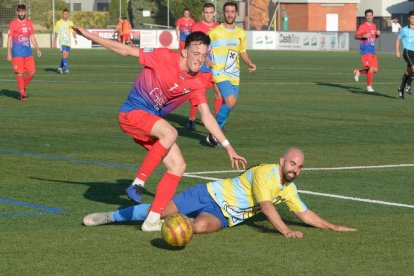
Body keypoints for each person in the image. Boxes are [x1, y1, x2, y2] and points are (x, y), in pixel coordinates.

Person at [73, 26, 246, 232]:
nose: (200, 59)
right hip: (131, 113)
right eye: (196, 53)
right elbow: (126, 50)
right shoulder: (162, 56)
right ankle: (138, 183)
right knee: (171, 132)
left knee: (178, 165)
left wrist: (228, 147)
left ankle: (152, 220)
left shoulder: (197, 83)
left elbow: (207, 117)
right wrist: (90, 35)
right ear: (185, 51)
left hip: (151, 124)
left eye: (204, 55)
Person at [83, 147, 357, 237]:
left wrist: (332, 226)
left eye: (300, 167)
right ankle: (112, 216)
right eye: (292, 163)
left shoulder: (290, 187)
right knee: (160, 210)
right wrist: (285, 231)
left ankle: (170, 225)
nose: (295, 169)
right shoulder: (266, 173)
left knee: (200, 227)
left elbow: (305, 213)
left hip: (224, 216)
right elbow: (265, 205)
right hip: (209, 194)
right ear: (282, 161)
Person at [206, 2, 256, 147]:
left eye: (232, 11)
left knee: (229, 105)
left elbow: (242, 52)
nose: (229, 14)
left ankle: (215, 134)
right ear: (223, 13)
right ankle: (215, 131)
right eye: (227, 11)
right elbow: (202, 48)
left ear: (236, 14)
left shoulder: (240, 33)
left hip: (234, 73)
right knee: (231, 102)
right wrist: (206, 59)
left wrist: (250, 63)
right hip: (219, 72)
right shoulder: (214, 32)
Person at [187, 3, 220, 131]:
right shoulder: (197, 27)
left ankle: (218, 122)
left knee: (218, 94)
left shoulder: (218, 27)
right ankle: (191, 120)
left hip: (215, 67)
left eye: (211, 12)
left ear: (214, 13)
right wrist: (205, 58)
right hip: (201, 67)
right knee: (198, 96)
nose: (209, 15)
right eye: (206, 12)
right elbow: (195, 46)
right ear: (203, 13)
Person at [6, 4, 41, 102]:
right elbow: (9, 39)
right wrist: (8, 53)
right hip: (17, 54)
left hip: (28, 53)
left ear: (25, 12)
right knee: (19, 74)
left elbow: (32, 37)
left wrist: (37, 49)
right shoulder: (13, 24)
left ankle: (22, 86)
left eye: (23, 11)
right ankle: (22, 94)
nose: (21, 13)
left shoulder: (29, 23)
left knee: (32, 72)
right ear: (17, 12)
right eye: (19, 11)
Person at [353, 9, 380, 93]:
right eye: (367, 15)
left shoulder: (374, 26)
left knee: (375, 70)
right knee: (371, 68)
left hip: (372, 50)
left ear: (373, 16)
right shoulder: (362, 26)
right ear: (365, 17)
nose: (369, 17)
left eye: (370, 15)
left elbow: (374, 37)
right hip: (365, 49)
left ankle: (358, 72)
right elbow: (356, 36)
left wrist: (377, 35)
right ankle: (369, 86)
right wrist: (363, 36)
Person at [395, 11, 414, 99]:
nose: (413, 20)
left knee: (408, 71)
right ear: (409, 18)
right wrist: (397, 51)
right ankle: (408, 85)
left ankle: (401, 89)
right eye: (412, 18)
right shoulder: (404, 29)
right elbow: (398, 39)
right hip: (407, 52)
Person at [53, 8, 77, 74]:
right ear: (62, 14)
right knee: (64, 54)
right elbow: (56, 32)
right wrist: (54, 42)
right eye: (64, 14)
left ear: (68, 14)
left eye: (66, 14)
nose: (65, 15)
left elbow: (73, 32)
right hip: (62, 42)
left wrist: (75, 39)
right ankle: (66, 69)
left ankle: (59, 67)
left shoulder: (70, 23)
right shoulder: (58, 23)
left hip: (68, 42)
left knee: (66, 56)